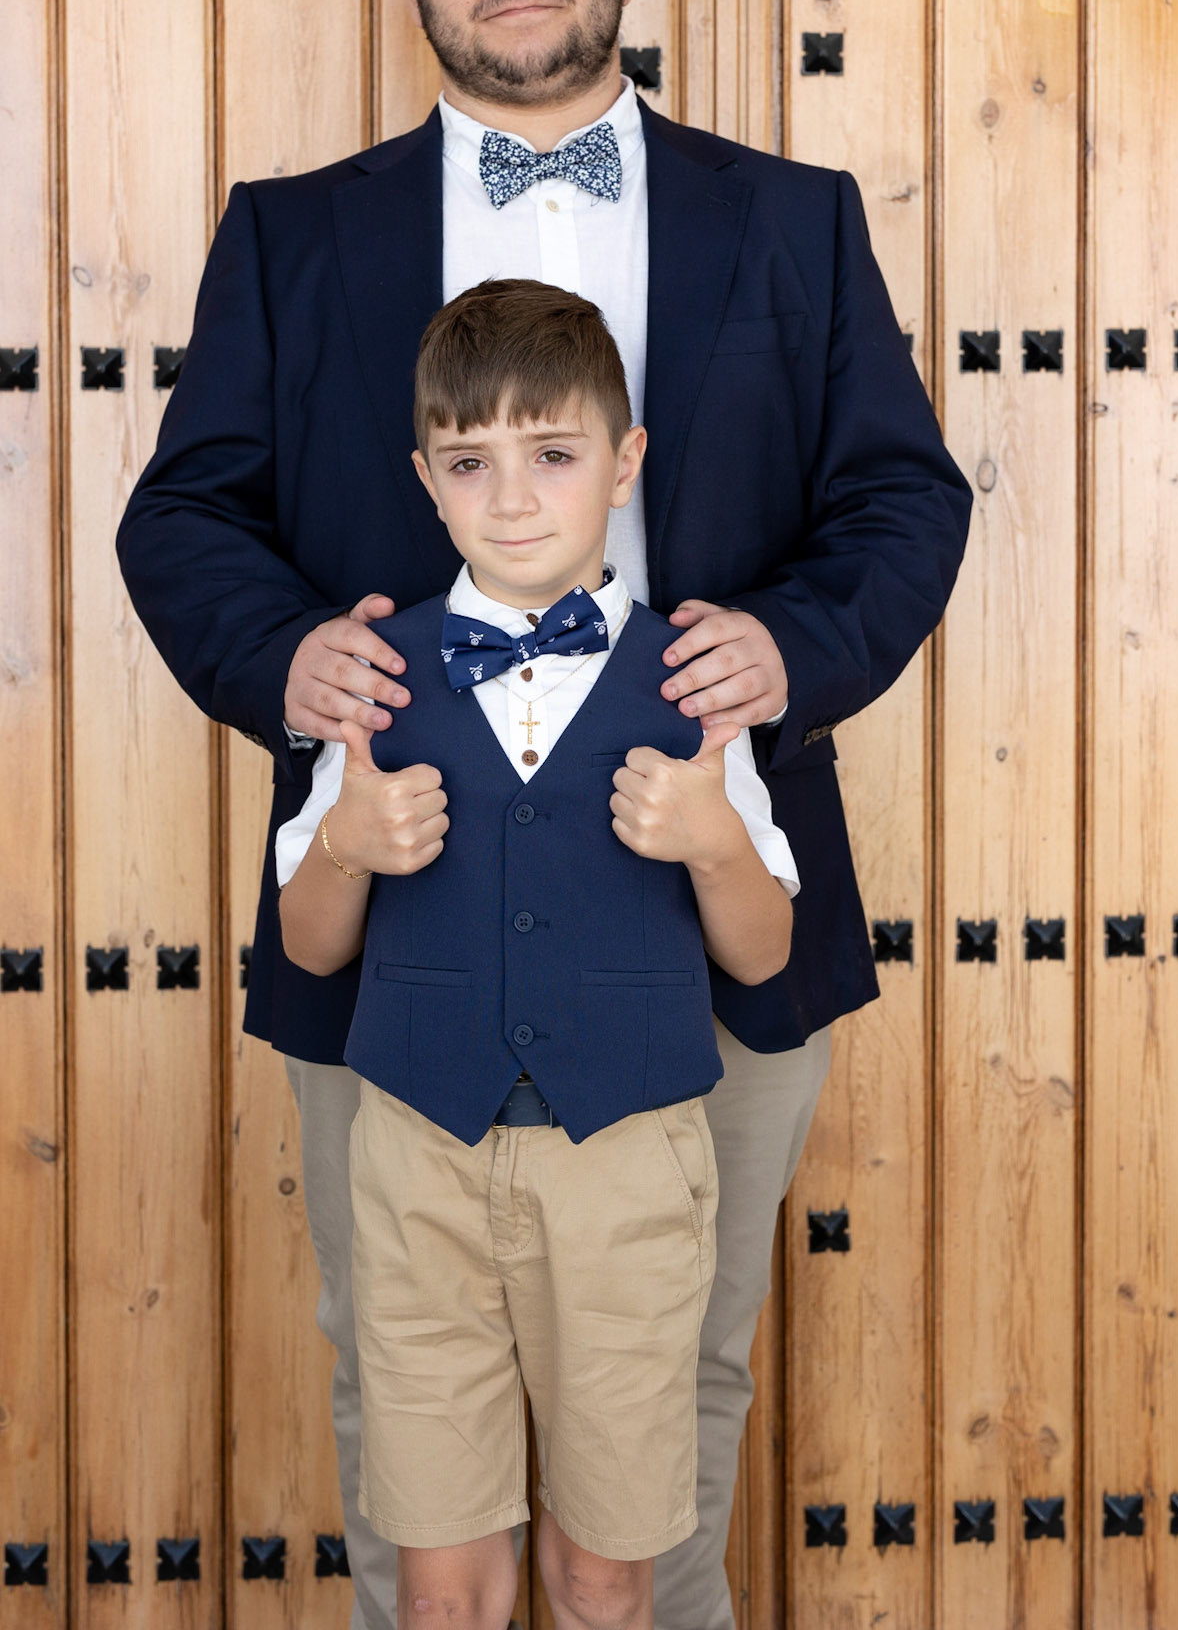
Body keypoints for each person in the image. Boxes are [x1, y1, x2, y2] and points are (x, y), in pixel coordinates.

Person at [117, 0, 971, 1630]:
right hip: (392, 903)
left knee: (680, 1384)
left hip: (715, 888)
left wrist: (788, 649)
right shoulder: (293, 234)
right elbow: (183, 516)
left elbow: (901, 500)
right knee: (399, 1397)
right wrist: (287, 661)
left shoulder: (791, 221)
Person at [277, 280, 795, 1630]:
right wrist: (346, 845)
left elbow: (762, 956)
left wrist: (711, 843)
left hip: (625, 1163)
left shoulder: (695, 681)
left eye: (553, 454)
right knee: (445, 1590)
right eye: (470, 464)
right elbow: (307, 946)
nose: (511, 500)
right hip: (417, 1162)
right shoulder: (370, 678)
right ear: (425, 480)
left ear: (624, 463)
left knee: (601, 1573)